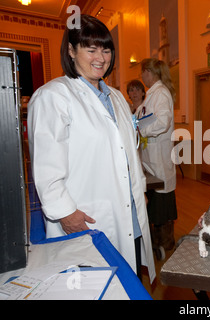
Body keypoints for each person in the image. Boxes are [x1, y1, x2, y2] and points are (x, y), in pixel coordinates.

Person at [27, 14, 156, 283]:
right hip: (85, 218)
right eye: (91, 48)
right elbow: (46, 171)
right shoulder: (54, 96)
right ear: (72, 51)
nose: (101, 57)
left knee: (128, 281)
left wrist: (138, 191)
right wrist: (66, 214)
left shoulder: (117, 97)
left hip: (128, 214)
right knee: (95, 284)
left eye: (106, 49)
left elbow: (128, 153)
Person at [137, 58, 177, 253]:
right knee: (155, 204)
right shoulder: (152, 95)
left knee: (161, 206)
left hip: (158, 158)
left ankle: (165, 243)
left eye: (142, 72)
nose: (141, 76)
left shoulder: (160, 94)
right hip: (151, 158)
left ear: (148, 72)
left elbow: (163, 122)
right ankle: (157, 242)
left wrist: (142, 130)